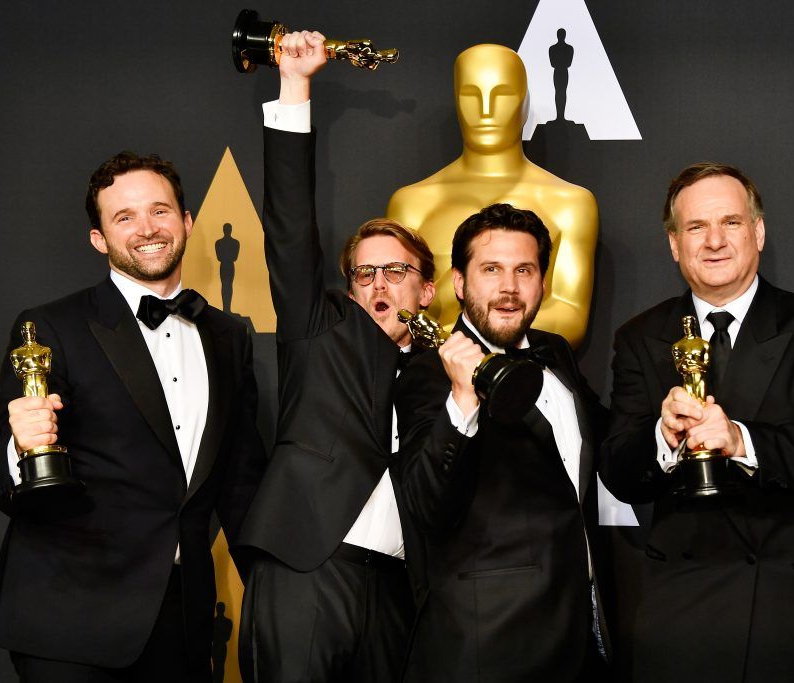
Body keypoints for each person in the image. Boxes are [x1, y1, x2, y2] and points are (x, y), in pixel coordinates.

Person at [0, 151, 266, 682]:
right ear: (99, 239)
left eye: (160, 211)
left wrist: (276, 595)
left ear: (186, 223)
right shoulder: (50, 327)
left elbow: (240, 480)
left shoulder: (228, 336)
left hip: (184, 620)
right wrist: (21, 446)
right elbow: (7, 486)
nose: (146, 229)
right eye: (124, 217)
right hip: (71, 619)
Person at [601, 163, 794, 681]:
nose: (714, 241)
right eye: (696, 228)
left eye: (730, 222)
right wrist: (662, 438)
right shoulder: (640, 337)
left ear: (758, 232)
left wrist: (740, 439)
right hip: (685, 612)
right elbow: (618, 467)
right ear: (674, 244)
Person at [233, 30, 436, 682]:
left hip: (402, 593)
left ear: (427, 288)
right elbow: (291, 226)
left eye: (396, 270)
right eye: (364, 273)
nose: (379, 284)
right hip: (307, 569)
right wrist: (296, 88)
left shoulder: (450, 369)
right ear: (346, 291)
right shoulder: (321, 332)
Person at [395, 203, 610, 682]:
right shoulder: (427, 375)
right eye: (490, 269)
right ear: (459, 282)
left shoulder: (555, 354)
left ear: (542, 282)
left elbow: (608, 445)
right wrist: (463, 400)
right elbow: (426, 505)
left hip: (582, 638)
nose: (509, 288)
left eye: (524, 270)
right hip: (488, 645)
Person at [387, 43, 598, 347]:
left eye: (502, 95)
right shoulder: (412, 204)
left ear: (524, 104)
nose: (485, 111)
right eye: (471, 96)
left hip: (530, 378)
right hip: (430, 379)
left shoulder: (570, 203)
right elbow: (399, 308)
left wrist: (467, 336)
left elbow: (570, 315)